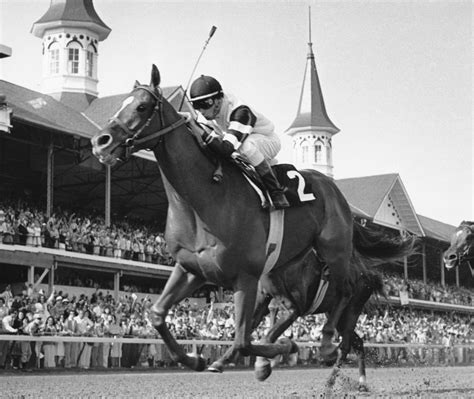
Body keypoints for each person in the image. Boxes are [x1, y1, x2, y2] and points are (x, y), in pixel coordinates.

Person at [189, 75, 289, 209]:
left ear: (218, 99)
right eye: (196, 105)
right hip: (237, 142)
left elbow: (226, 149)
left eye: (204, 104)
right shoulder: (205, 117)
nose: (200, 111)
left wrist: (198, 129)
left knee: (246, 147)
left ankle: (276, 191)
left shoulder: (240, 112)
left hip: (266, 139)